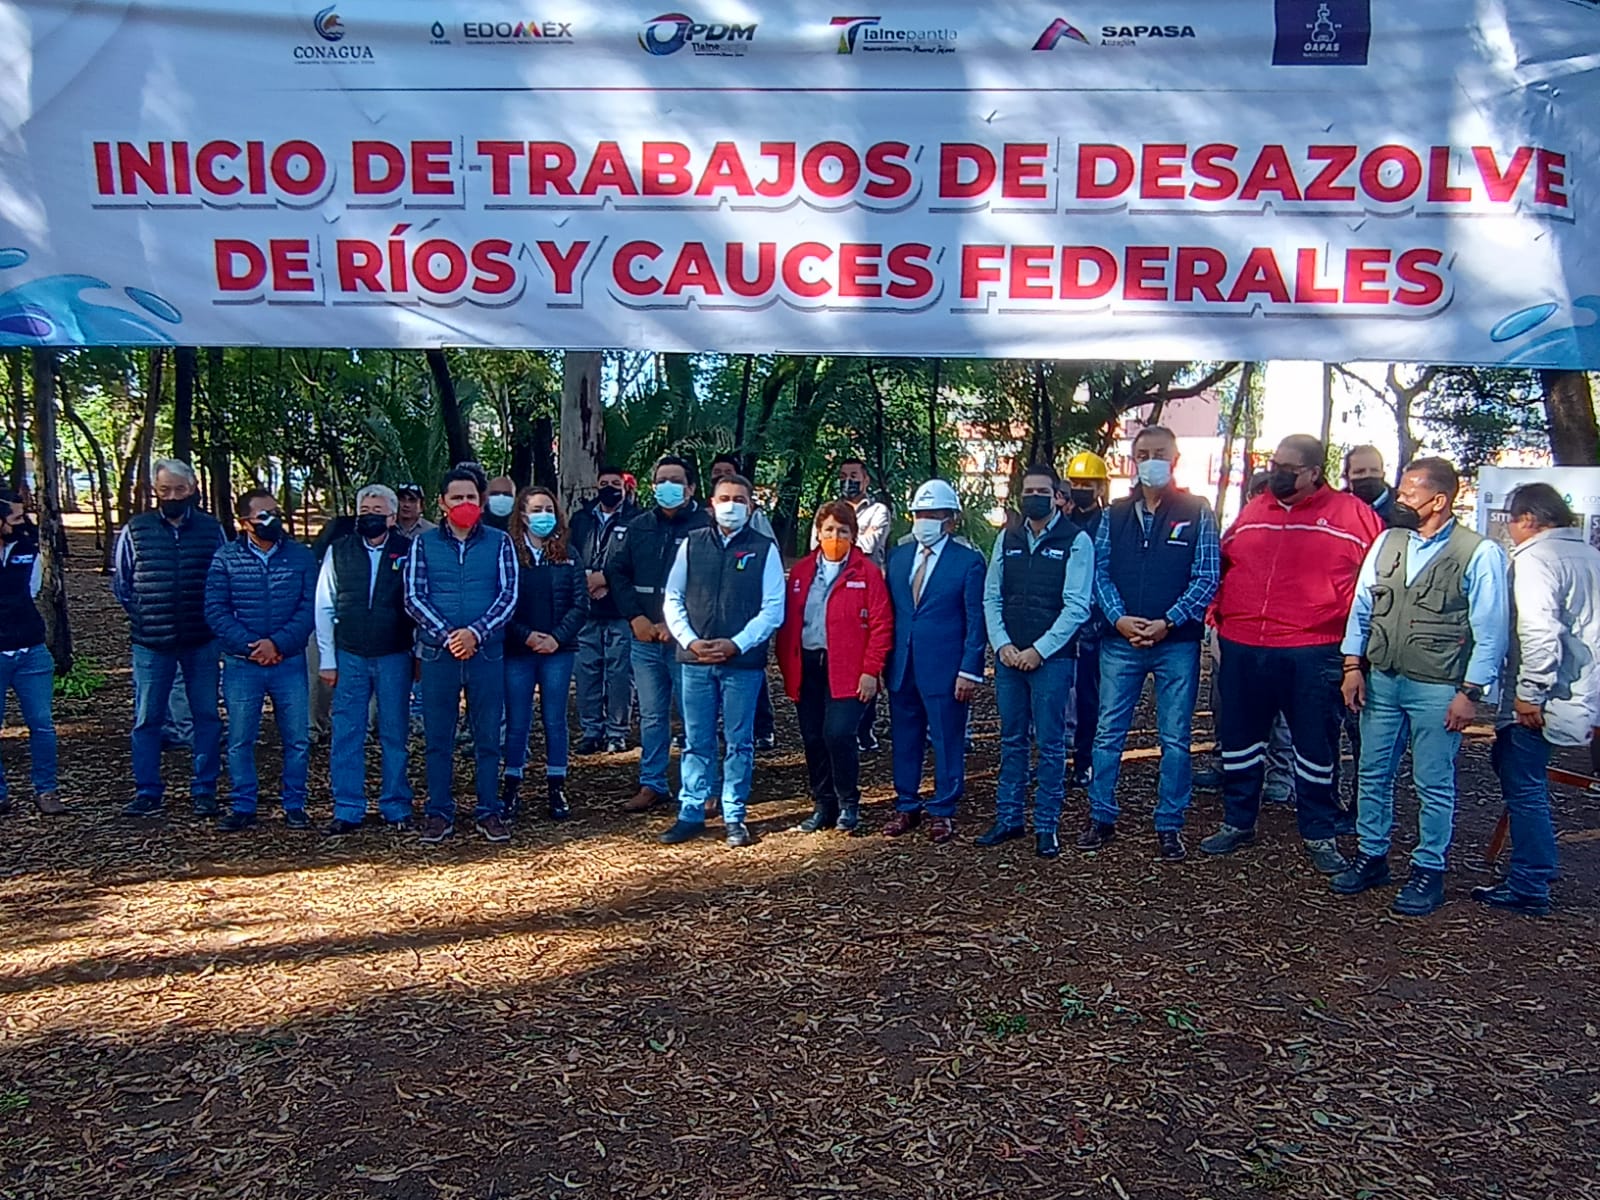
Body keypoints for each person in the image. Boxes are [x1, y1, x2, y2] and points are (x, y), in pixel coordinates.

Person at [1332, 457, 1509, 915]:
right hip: (1383, 679)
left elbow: (1490, 628)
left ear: (1439, 500)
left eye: (1411, 493)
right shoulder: (1387, 541)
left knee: (1433, 781)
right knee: (1372, 772)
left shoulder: (1478, 553)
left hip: (1439, 686)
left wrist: (1471, 692)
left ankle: (1429, 869)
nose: (1401, 500)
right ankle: (1372, 856)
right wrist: (1353, 665)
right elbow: (1363, 605)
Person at [1201, 435, 1385, 873]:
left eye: (1288, 468)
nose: (1277, 474)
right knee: (1240, 739)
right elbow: (1222, 565)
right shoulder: (1254, 511)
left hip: (1314, 649)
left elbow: (1376, 585)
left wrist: (1357, 654)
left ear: (1315, 472)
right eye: (1274, 465)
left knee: (1315, 744)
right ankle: (1238, 820)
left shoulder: (1353, 516)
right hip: (1244, 644)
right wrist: (1216, 616)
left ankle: (1319, 831)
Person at [1080, 427, 1219, 861]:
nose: (1150, 461)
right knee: (1108, 733)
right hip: (1120, 641)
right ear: (1133, 460)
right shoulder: (1115, 514)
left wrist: (1168, 621)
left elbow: (1207, 575)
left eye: (1159, 453)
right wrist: (1118, 619)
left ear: (1174, 460)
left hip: (1176, 643)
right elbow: (1099, 572)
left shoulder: (1197, 510)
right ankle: (1101, 815)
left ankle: (1169, 824)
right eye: (1142, 454)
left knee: (1175, 738)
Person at [1475, 483, 1600, 916]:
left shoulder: (1536, 560)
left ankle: (1530, 881)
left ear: (1528, 518)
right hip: (1579, 690)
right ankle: (1537, 866)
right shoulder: (1590, 555)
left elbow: (1539, 632)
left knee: (1523, 785)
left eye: (1511, 519)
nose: (1509, 529)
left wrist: (1529, 694)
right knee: (1521, 777)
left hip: (1544, 698)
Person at [658, 472, 785, 847]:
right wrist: (691, 641)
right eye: (725, 498)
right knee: (696, 739)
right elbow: (672, 598)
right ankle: (691, 812)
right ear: (711, 505)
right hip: (695, 660)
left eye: (740, 500)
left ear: (751, 507)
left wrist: (737, 644)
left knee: (739, 741)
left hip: (742, 664)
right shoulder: (693, 543)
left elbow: (773, 608)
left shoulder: (764, 548)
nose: (731, 505)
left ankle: (734, 814)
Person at [982, 464, 1094, 858]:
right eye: (1028, 491)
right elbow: (992, 596)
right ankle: (1009, 818)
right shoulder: (1007, 537)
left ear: (1057, 497)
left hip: (1053, 661)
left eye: (1042, 492)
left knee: (1050, 744)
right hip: (1009, 658)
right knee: (1012, 740)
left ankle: (1047, 826)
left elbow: (1077, 606)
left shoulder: (1076, 541)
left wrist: (1040, 650)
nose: (1034, 498)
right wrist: (1002, 645)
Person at [404, 466, 518, 844]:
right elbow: (414, 596)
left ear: (481, 501)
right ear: (442, 502)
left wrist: (475, 633)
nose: (464, 503)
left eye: (471, 497)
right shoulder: (424, 544)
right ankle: (438, 811)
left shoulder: (500, 542)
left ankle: (489, 810)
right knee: (438, 738)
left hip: (486, 653)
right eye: (457, 498)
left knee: (488, 736)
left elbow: (508, 596)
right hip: (439, 655)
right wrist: (449, 636)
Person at [113, 458, 228, 817]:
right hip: (151, 642)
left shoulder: (211, 530)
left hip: (201, 638)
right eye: (165, 490)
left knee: (206, 716)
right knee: (147, 718)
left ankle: (205, 789)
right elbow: (123, 584)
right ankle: (147, 790)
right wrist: (145, 616)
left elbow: (222, 579)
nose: (173, 496)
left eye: (179, 489)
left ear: (192, 488)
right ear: (155, 490)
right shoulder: (136, 529)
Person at [776, 499, 892, 834]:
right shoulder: (801, 572)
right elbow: (787, 622)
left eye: (843, 531)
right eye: (829, 530)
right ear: (818, 532)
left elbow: (882, 624)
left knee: (838, 733)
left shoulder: (867, 572)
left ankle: (848, 803)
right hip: (808, 665)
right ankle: (823, 804)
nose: (835, 537)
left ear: (853, 535)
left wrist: (871, 670)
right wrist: (787, 666)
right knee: (813, 736)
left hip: (850, 669)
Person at [204, 490, 317, 832]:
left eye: (275, 513)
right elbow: (216, 609)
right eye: (263, 515)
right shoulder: (225, 558)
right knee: (241, 738)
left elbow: (309, 606)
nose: (273, 521)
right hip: (243, 663)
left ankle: (295, 804)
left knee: (297, 738)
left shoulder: (300, 556)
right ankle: (243, 804)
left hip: (288, 660)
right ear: (245, 522)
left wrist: (278, 643)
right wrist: (251, 646)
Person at [883, 480, 987, 842]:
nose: (924, 521)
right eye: (919, 514)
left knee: (947, 738)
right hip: (902, 664)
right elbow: (890, 613)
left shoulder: (968, 561)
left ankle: (943, 809)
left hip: (946, 667)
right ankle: (906, 804)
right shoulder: (898, 557)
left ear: (951, 520)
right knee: (904, 737)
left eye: (933, 514)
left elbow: (976, 620)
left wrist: (970, 669)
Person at [607, 455, 711, 814]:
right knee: (652, 716)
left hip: (687, 642)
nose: (667, 487)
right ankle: (652, 783)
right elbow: (617, 572)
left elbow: (710, 584)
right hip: (644, 638)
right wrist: (635, 617)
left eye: (675, 480)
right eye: (661, 480)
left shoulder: (705, 528)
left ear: (691, 488)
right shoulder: (639, 526)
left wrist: (677, 624)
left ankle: (701, 787)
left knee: (694, 715)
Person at [313, 484, 415, 835]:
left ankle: (396, 804)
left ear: (392, 516)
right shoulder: (339, 550)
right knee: (347, 732)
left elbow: (418, 603)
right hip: (350, 654)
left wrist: (417, 654)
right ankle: (347, 807)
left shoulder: (409, 551)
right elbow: (324, 604)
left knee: (394, 733)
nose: (370, 516)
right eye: (365, 510)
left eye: (377, 511)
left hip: (395, 654)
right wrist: (328, 658)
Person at [502, 486, 588, 822]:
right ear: (522, 515)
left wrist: (556, 638)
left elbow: (580, 604)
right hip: (518, 649)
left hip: (558, 650)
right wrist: (526, 636)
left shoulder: (568, 553)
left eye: (549, 509)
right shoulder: (508, 553)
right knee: (517, 720)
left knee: (555, 719)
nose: (544, 516)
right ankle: (511, 786)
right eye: (536, 510)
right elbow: (502, 602)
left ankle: (556, 786)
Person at [0, 490, 64, 816]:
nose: (22, 522)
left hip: (31, 650)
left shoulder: (29, 550)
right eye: (15, 517)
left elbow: (33, 590)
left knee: (41, 724)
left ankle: (46, 789)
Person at [711, 453, 778, 750]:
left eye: (727, 471)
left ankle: (762, 727)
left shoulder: (758, 526)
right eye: (717, 472)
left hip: (748, 619)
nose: (730, 505)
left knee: (752, 677)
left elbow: (769, 562)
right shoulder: (700, 529)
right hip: (709, 626)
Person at [569, 464, 638, 755]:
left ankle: (617, 732)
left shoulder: (637, 520)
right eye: (604, 484)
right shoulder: (581, 519)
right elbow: (570, 553)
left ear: (625, 488)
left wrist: (606, 579)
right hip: (586, 608)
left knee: (620, 672)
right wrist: (585, 582)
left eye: (615, 484)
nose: (609, 489)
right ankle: (591, 730)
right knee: (587, 671)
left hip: (620, 608)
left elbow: (637, 561)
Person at [1063, 450, 1110, 788]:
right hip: (1062, 619)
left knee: (1088, 695)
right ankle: (1054, 759)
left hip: (1096, 622)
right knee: (1055, 693)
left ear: (1101, 487)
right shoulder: (1062, 524)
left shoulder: (1110, 524)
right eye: (1076, 483)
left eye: (1087, 484)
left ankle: (1084, 761)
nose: (1081, 489)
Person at [1343, 445, 1395, 525]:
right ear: (1347, 478)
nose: (1368, 475)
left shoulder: (1403, 510)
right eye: (1359, 472)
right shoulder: (1335, 509)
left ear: (1383, 474)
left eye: (1374, 470)